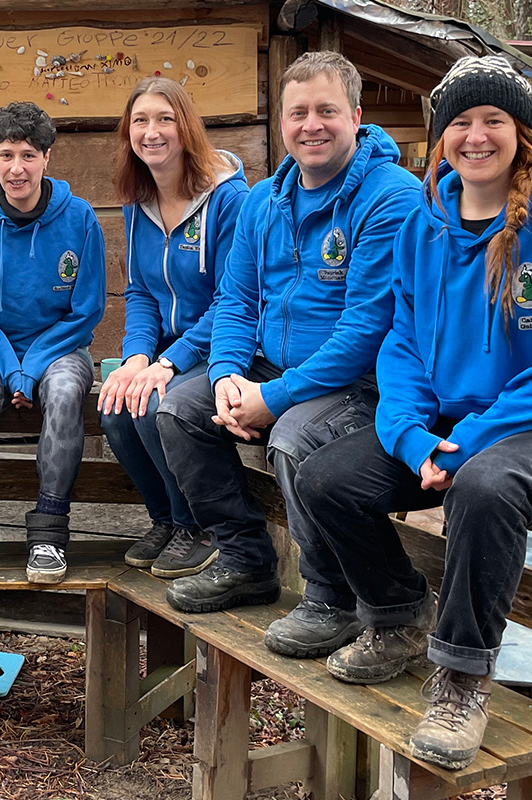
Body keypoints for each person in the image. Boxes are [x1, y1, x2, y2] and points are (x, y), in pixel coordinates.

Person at [292, 55, 532, 770]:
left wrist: (472, 440)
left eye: (493, 121)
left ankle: (462, 678)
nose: (475, 137)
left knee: (486, 485)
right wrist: (411, 435)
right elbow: (403, 342)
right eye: (460, 123)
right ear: (440, 137)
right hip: (460, 424)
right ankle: (395, 618)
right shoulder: (427, 219)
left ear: (523, 132)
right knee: (324, 476)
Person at [154, 52, 419, 628]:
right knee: (178, 409)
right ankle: (247, 559)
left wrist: (274, 399)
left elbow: (366, 328)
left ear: (355, 113)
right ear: (281, 122)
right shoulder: (263, 201)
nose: (311, 125)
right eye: (298, 113)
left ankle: (331, 596)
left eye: (326, 110)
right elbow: (236, 300)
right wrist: (225, 373)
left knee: (296, 437)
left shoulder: (390, 196)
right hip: (271, 365)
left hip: (363, 379)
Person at [98, 78, 249, 579]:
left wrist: (167, 363)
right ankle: (165, 519)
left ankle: (196, 527)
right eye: (140, 121)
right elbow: (141, 291)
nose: (152, 132)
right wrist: (137, 357)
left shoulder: (227, 200)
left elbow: (234, 299)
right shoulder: (137, 201)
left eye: (164, 119)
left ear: (186, 127)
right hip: (167, 345)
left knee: (153, 406)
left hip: (222, 344)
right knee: (116, 405)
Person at [0, 102, 105, 585]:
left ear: (47, 158)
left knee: (62, 393)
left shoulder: (79, 220)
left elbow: (86, 311)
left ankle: (49, 532)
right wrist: (10, 367)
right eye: (6, 154)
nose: (17, 168)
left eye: (28, 155)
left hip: (62, 348)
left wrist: (32, 367)